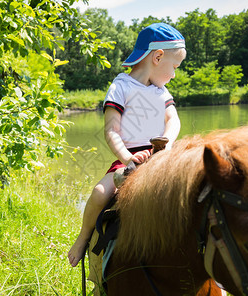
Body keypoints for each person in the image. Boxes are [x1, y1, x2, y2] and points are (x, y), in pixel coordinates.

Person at [68, 23, 186, 267]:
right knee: (100, 193)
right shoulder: (120, 87)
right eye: (174, 67)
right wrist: (127, 158)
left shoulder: (161, 91)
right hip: (129, 157)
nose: (174, 74)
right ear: (157, 56)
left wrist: (167, 145)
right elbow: (112, 130)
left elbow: (173, 120)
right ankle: (83, 236)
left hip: (162, 154)